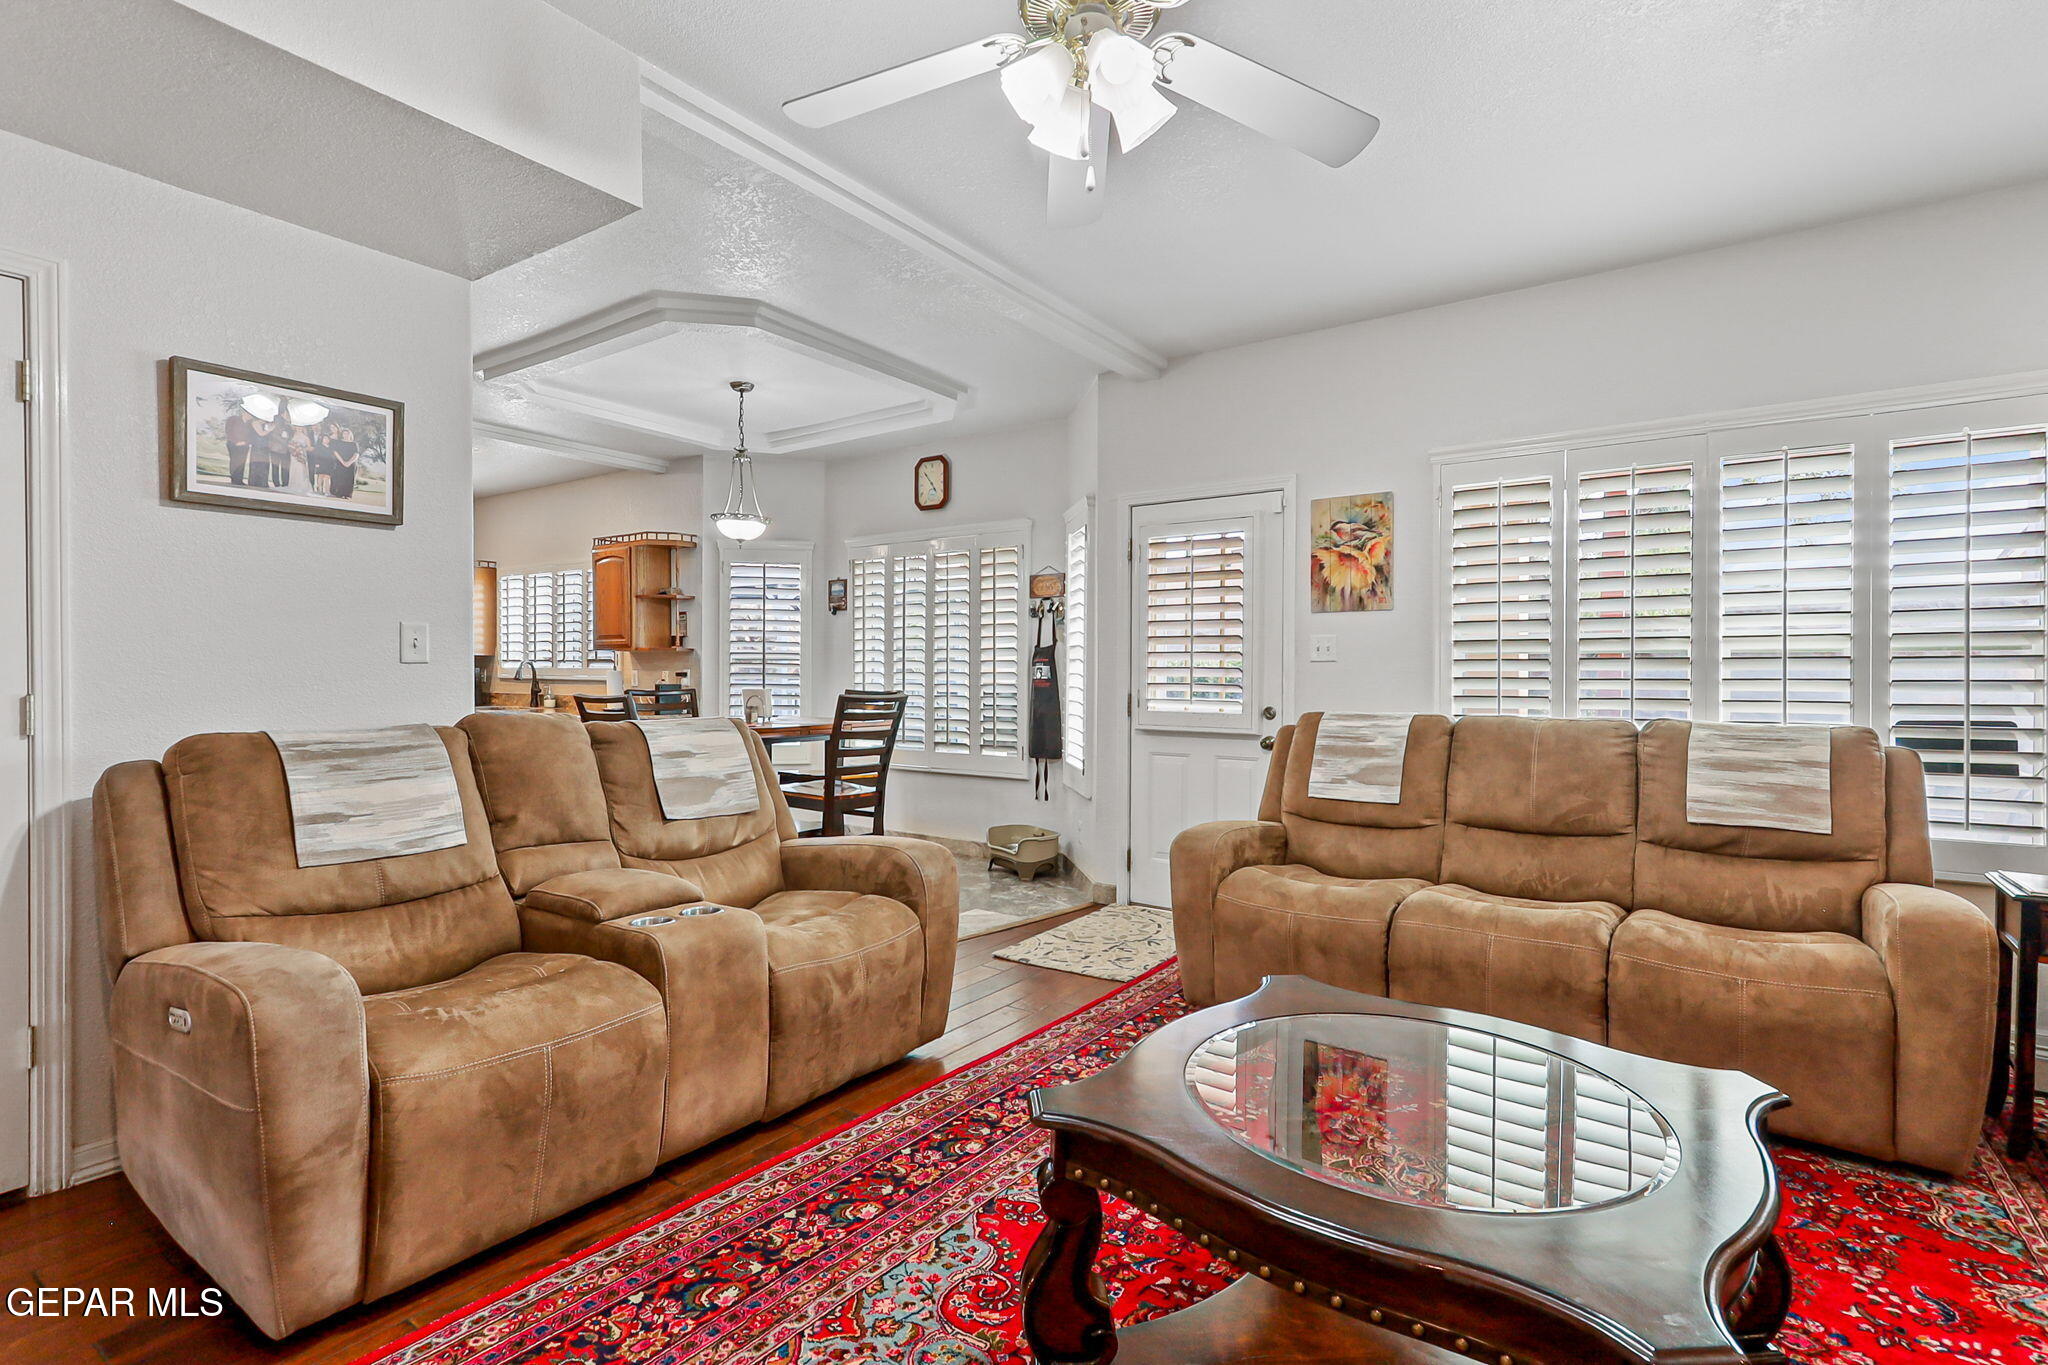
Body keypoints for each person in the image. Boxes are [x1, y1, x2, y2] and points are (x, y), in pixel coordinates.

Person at [222, 403, 255, 487]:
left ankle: (239, 480)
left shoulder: (250, 424)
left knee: (242, 462)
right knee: (234, 462)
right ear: (244, 413)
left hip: (245, 446)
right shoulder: (233, 419)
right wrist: (236, 442)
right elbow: (228, 431)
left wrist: (246, 442)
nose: (251, 416)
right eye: (250, 414)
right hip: (233, 444)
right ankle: (234, 479)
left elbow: (252, 436)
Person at [330, 424, 360, 501]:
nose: (345, 435)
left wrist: (349, 462)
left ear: (350, 434)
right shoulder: (339, 442)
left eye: (347, 433)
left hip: (351, 464)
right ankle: (338, 493)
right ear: (342, 435)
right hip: (340, 463)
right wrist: (343, 462)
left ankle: (347, 495)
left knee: (349, 479)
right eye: (344, 433)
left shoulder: (354, 444)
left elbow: (356, 454)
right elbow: (335, 452)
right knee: (339, 477)